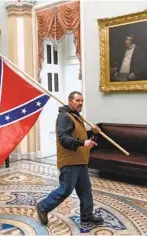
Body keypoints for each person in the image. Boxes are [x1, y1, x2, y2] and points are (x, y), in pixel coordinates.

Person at [36, 91, 104, 226]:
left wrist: (92, 133)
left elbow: (80, 136)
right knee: (65, 190)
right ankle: (43, 207)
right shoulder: (64, 117)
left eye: (82, 101)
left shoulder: (76, 116)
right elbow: (64, 139)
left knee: (85, 189)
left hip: (81, 160)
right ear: (70, 101)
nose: (80, 103)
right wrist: (83, 143)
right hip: (70, 161)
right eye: (77, 100)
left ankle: (87, 215)